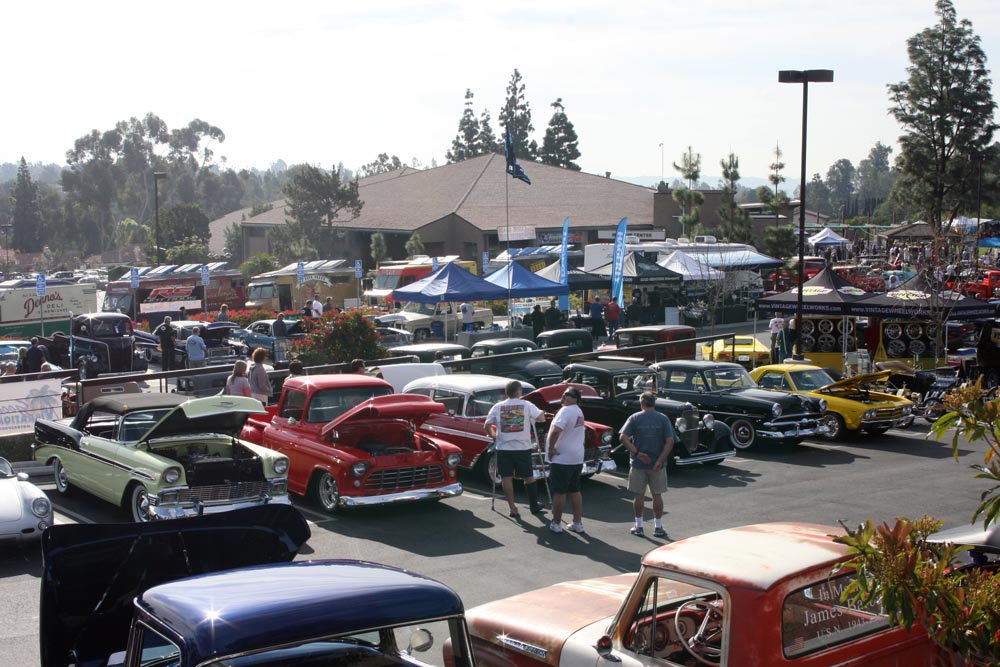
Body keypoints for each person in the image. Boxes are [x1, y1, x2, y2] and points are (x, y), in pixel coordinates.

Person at [484, 379, 547, 517]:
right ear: (519, 391)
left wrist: (495, 437)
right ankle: (533, 505)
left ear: (507, 392)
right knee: (528, 477)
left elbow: (487, 425)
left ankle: (512, 508)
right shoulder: (526, 405)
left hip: (504, 448)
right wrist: (540, 412)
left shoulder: (498, 407)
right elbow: (542, 418)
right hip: (522, 448)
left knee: (506, 477)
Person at [620, 392, 674, 538]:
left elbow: (623, 437)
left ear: (641, 403)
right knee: (657, 495)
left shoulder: (635, 418)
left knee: (639, 495)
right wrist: (660, 460)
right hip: (657, 464)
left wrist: (636, 453)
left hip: (639, 463)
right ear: (654, 403)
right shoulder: (662, 419)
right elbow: (670, 441)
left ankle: (639, 526)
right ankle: (658, 526)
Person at [545, 386, 587, 534]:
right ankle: (577, 522)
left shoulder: (566, 410)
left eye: (567, 395)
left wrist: (551, 448)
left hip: (562, 457)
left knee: (559, 492)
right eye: (563, 394)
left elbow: (556, 431)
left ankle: (556, 523)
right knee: (575, 490)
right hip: (576, 457)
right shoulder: (578, 411)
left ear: (575, 398)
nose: (564, 396)